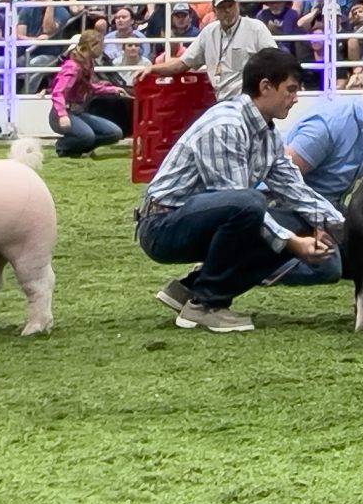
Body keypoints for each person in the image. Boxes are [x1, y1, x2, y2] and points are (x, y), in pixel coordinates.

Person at [133, 48, 343, 332]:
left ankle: (189, 290)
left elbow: (294, 188)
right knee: (251, 206)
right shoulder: (226, 125)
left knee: (292, 219)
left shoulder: (267, 132)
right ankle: (205, 305)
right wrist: (294, 243)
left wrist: (334, 223)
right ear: (265, 86)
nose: (295, 98)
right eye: (290, 89)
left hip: (191, 217)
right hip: (160, 226)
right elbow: (236, 200)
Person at [282, 56, 363, 206]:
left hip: (329, 212)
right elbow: (284, 178)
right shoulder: (330, 124)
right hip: (290, 208)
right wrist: (317, 218)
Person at [142, 0, 276, 99]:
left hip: (250, 98)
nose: (227, 10)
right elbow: (182, 63)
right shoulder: (208, 32)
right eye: (222, 7)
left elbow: (274, 60)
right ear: (215, 10)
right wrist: (152, 68)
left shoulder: (256, 28)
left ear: (238, 5)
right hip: (221, 99)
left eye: (230, 5)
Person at [48, 29, 129, 159]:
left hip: (78, 112)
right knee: (87, 135)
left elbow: (89, 87)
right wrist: (62, 115)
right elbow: (58, 92)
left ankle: (81, 148)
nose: (102, 49)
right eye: (101, 46)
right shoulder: (72, 67)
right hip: (63, 113)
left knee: (115, 133)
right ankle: (63, 146)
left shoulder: (87, 63)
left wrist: (111, 89)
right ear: (92, 46)